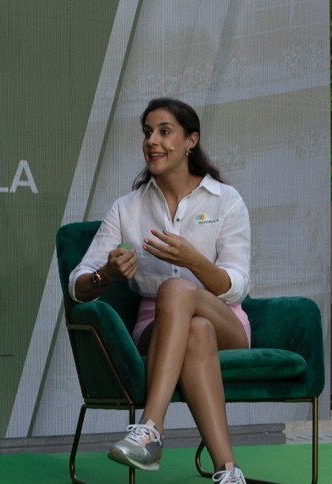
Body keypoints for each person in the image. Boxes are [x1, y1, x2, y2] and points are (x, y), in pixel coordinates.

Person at [68, 98, 251, 484]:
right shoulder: (127, 208)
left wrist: (195, 261)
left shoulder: (226, 200)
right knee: (191, 326)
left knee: (179, 292)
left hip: (225, 321)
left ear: (190, 141)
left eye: (164, 131)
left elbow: (236, 287)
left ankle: (151, 429)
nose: (152, 141)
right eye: (147, 132)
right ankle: (229, 472)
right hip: (157, 327)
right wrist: (107, 274)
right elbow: (78, 286)